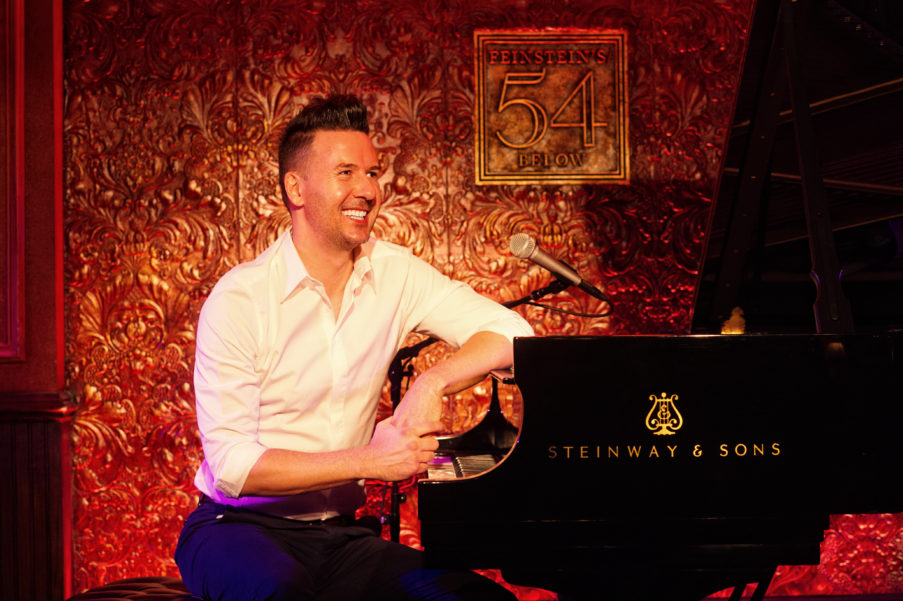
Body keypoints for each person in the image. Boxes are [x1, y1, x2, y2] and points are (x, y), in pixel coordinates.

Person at [174, 93, 533, 601]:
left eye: (372, 173)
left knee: (479, 599)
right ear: (296, 188)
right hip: (233, 530)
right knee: (282, 592)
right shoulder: (240, 298)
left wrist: (433, 382)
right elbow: (233, 467)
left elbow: (512, 332)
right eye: (346, 172)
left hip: (340, 538)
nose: (367, 189)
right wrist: (369, 461)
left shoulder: (394, 272)